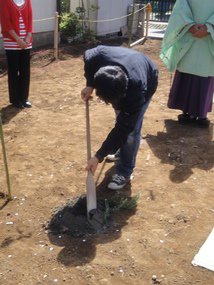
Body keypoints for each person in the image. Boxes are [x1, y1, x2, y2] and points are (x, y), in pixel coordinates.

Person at [81, 45, 158, 190]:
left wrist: (98, 156)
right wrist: (90, 85)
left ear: (123, 93)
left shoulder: (136, 92)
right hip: (126, 64)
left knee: (130, 131)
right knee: (120, 118)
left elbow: (123, 128)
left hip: (148, 75)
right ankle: (119, 148)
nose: (113, 105)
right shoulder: (97, 56)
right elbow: (89, 60)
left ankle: (125, 171)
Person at [160, 0, 214, 128]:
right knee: (187, 72)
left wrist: (209, 27)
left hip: (207, 38)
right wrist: (189, 25)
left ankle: (201, 114)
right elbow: (181, 7)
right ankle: (188, 112)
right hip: (189, 34)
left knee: (205, 74)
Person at [0, 0, 33, 109]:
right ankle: (15, 100)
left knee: (25, 71)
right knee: (13, 71)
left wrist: (28, 37)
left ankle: (24, 98)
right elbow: (6, 22)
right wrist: (18, 40)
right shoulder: (4, 1)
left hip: (26, 41)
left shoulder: (27, 1)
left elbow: (30, 18)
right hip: (12, 40)